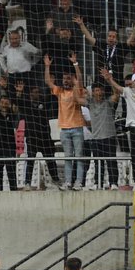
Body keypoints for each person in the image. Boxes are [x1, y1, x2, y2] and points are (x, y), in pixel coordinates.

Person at [44, 53, 87, 190]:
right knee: (68, 157)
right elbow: (48, 82)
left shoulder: (77, 90)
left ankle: (79, 182)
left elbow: (79, 78)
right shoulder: (60, 91)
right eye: (64, 79)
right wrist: (47, 66)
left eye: (68, 79)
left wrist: (75, 64)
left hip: (77, 128)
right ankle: (68, 181)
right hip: (64, 129)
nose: (66, 81)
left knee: (79, 157)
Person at [16, 81, 61, 190]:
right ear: (31, 94)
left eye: (38, 92)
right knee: (30, 161)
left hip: (45, 137)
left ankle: (56, 181)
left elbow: (54, 98)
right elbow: (18, 101)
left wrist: (52, 83)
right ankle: (27, 183)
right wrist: (19, 92)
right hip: (32, 137)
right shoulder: (27, 105)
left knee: (51, 160)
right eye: (34, 92)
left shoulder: (44, 104)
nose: (36, 94)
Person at [85, 79, 120, 190]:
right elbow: (77, 98)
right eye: (96, 90)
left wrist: (109, 79)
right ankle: (97, 183)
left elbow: (116, 94)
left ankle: (113, 183)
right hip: (96, 138)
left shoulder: (108, 102)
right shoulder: (90, 103)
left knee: (111, 161)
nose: (98, 92)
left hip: (109, 137)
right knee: (97, 162)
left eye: (100, 90)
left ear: (103, 91)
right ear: (93, 92)